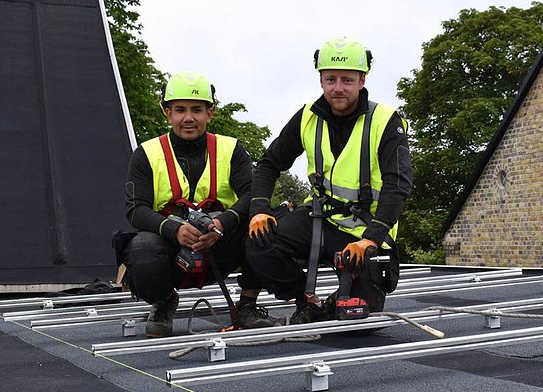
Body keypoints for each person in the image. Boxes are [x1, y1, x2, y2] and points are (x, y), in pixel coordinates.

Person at [245, 37, 413, 324]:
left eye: (347, 80)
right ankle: (307, 300)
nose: (337, 88)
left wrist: (371, 239)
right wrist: (259, 208)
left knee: (359, 319)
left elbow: (398, 185)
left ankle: (334, 303)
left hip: (363, 231)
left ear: (362, 80)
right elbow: (269, 163)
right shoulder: (308, 116)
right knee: (258, 241)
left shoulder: (386, 121)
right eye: (330, 79)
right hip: (319, 219)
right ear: (321, 79)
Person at [122, 72, 276, 337]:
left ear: (210, 113)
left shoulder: (232, 149)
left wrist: (221, 224)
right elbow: (136, 209)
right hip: (170, 246)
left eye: (197, 110)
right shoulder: (146, 153)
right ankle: (163, 301)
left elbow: (253, 194)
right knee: (141, 249)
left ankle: (247, 306)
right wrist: (174, 230)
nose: (188, 118)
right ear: (167, 113)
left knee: (263, 225)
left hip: (221, 242)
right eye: (180, 110)